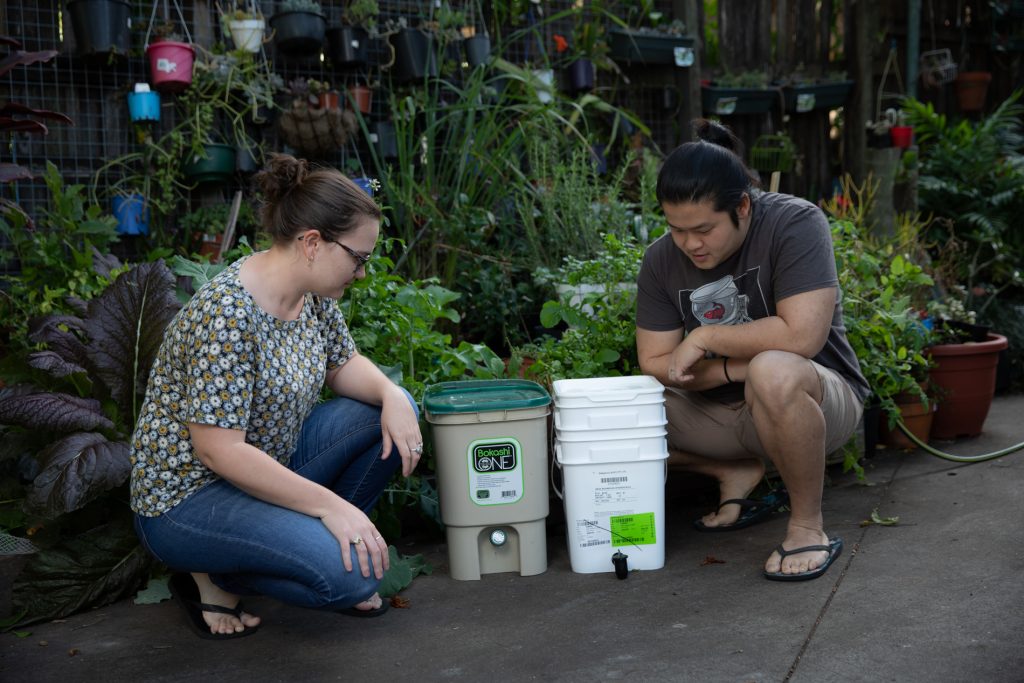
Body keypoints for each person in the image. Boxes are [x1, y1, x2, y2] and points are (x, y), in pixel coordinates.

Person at [129, 154, 423, 638]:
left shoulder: (312, 298)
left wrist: (393, 393)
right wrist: (331, 506)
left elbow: (344, 365)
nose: (363, 273)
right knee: (352, 578)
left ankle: (326, 542)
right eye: (359, 258)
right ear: (312, 243)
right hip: (189, 502)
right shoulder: (228, 315)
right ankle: (216, 575)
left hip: (269, 467)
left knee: (393, 411)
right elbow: (217, 450)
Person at [635, 119, 869, 581]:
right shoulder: (662, 259)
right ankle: (733, 470)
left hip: (815, 400)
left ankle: (806, 527)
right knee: (611, 412)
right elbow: (657, 362)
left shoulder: (795, 222)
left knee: (773, 371)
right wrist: (727, 372)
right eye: (676, 229)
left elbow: (801, 337)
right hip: (717, 416)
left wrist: (704, 339)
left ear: (742, 205)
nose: (689, 244)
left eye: (703, 229)